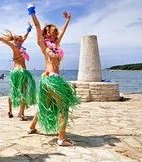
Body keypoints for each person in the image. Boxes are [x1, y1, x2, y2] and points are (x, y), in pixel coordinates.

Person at [27, 4, 80, 146]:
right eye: (51, 32)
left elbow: (62, 32)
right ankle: (61, 139)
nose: (54, 34)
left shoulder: (55, 46)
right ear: (45, 34)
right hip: (51, 79)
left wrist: (68, 20)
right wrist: (32, 13)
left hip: (51, 79)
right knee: (63, 108)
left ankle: (32, 127)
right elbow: (38, 27)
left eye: (55, 32)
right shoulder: (44, 45)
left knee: (44, 104)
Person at [0, 23, 37, 121]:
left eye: (22, 39)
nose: (22, 40)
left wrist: (29, 29)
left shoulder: (19, 46)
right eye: (20, 39)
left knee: (12, 91)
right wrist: (2, 39)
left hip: (14, 71)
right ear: (16, 40)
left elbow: (25, 36)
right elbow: (8, 43)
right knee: (23, 91)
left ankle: (10, 111)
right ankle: (21, 113)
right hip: (21, 71)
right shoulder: (15, 47)